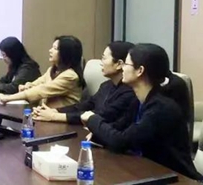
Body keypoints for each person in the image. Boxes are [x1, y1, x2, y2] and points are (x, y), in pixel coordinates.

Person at [81, 44, 202, 181]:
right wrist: (98, 134)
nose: (122, 68)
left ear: (140, 71)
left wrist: (93, 119)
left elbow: (121, 141)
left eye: (126, 64)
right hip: (152, 173)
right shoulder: (138, 100)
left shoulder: (161, 109)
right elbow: (118, 128)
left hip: (179, 179)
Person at [33, 42, 137, 135]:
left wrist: (54, 116)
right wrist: (54, 111)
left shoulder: (130, 92)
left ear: (119, 64)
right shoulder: (106, 85)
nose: (101, 63)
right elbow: (85, 105)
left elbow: (101, 115)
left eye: (104, 58)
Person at [0, 35, 84, 108]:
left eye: (55, 48)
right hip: (45, 113)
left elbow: (40, 91)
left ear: (65, 54)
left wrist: (7, 98)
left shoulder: (70, 76)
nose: (50, 50)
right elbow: (37, 84)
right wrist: (27, 86)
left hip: (60, 118)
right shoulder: (52, 70)